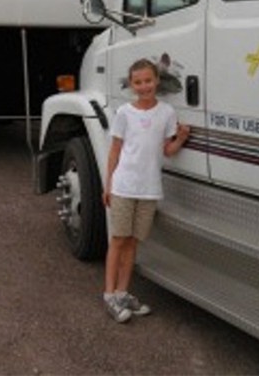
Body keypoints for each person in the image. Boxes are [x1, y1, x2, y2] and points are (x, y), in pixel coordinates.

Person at [101, 58, 191, 323]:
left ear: (157, 81)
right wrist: (108, 185)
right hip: (124, 186)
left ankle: (123, 292)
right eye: (138, 82)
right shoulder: (124, 114)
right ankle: (109, 295)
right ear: (131, 85)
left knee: (133, 242)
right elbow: (115, 151)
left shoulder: (166, 113)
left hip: (149, 189)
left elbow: (168, 151)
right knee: (118, 239)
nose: (144, 86)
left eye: (148, 81)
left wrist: (182, 138)